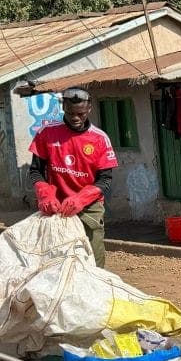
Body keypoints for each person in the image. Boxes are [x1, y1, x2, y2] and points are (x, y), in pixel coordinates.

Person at [28, 87, 118, 267]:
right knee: (56, 257)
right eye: (70, 113)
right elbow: (35, 171)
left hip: (89, 207)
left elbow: (105, 180)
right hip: (56, 206)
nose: (76, 118)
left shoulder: (100, 138)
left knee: (92, 257)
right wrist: (45, 194)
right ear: (63, 107)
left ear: (89, 109)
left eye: (81, 114)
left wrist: (81, 198)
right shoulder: (46, 133)